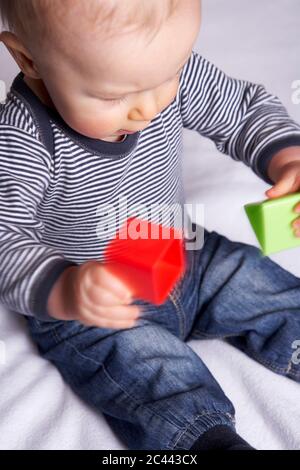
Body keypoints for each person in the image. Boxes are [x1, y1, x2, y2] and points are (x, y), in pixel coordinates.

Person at [1, 0, 300, 450]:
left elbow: (240, 108)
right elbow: (6, 236)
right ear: (29, 59)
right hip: (95, 306)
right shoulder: (22, 138)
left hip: (180, 252)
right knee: (149, 369)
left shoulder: (157, 70)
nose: (152, 106)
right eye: (113, 96)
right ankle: (207, 442)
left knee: (256, 282)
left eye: (171, 75)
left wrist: (286, 156)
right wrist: (64, 289)